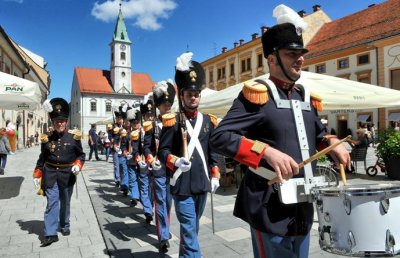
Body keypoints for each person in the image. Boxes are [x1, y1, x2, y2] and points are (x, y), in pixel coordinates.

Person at [210, 5, 350, 258]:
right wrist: (266, 152)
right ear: (272, 59)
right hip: (268, 205)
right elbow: (220, 137)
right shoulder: (256, 95)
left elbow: (318, 135)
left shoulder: (304, 96)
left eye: (302, 53)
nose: (301, 59)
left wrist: (332, 142)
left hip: (303, 206)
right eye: (291, 54)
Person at [158, 52, 221, 257]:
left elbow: (214, 152)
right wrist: (175, 161)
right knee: (188, 230)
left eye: (196, 93)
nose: (193, 97)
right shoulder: (172, 121)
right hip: (182, 186)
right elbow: (162, 152)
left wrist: (216, 174)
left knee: (192, 231)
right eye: (189, 94)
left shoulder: (208, 121)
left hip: (202, 184)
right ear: (182, 95)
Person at [32, 98, 85, 247]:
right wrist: (37, 173)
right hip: (50, 174)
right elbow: (42, 157)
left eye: (62, 121)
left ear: (66, 121)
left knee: (65, 202)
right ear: (53, 122)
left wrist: (78, 165)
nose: (60, 123)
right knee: (52, 202)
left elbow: (81, 155)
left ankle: (65, 224)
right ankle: (50, 233)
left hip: (67, 175)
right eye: (57, 121)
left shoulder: (74, 137)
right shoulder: (47, 138)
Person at [143, 80, 176, 251]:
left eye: (169, 104)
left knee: (169, 202)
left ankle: (166, 228)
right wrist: (150, 159)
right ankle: (163, 236)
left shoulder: (179, 122)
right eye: (164, 105)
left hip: (175, 171)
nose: (167, 107)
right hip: (159, 170)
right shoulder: (152, 126)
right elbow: (146, 146)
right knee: (161, 202)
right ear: (158, 106)